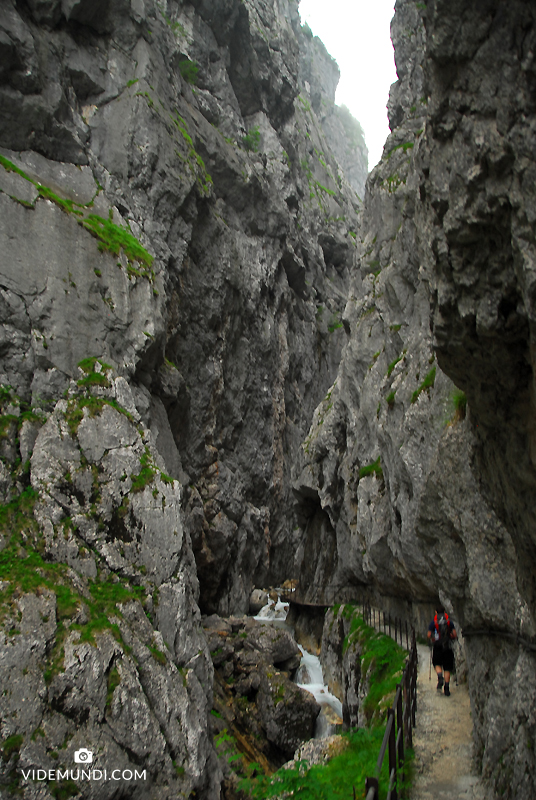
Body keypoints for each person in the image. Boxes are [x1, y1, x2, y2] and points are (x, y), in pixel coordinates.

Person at [427, 606, 457, 696]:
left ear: (436, 612)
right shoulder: (449, 622)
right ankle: (447, 688)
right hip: (447, 647)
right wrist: (450, 637)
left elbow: (429, 635)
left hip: (437, 646)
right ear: (444, 612)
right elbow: (454, 634)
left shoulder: (433, 623)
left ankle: (440, 676)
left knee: (437, 663)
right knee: (447, 667)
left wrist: (433, 639)